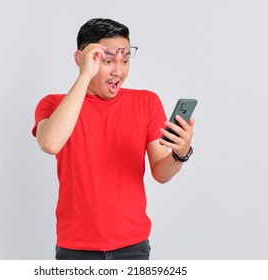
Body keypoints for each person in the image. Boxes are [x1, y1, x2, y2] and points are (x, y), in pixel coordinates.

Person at [32, 18, 195, 260]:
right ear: (80, 59)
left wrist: (180, 154)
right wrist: (85, 75)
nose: (119, 71)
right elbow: (50, 143)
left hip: (133, 247)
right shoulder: (54, 104)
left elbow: (161, 172)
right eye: (107, 61)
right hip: (75, 248)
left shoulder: (147, 102)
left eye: (126, 60)